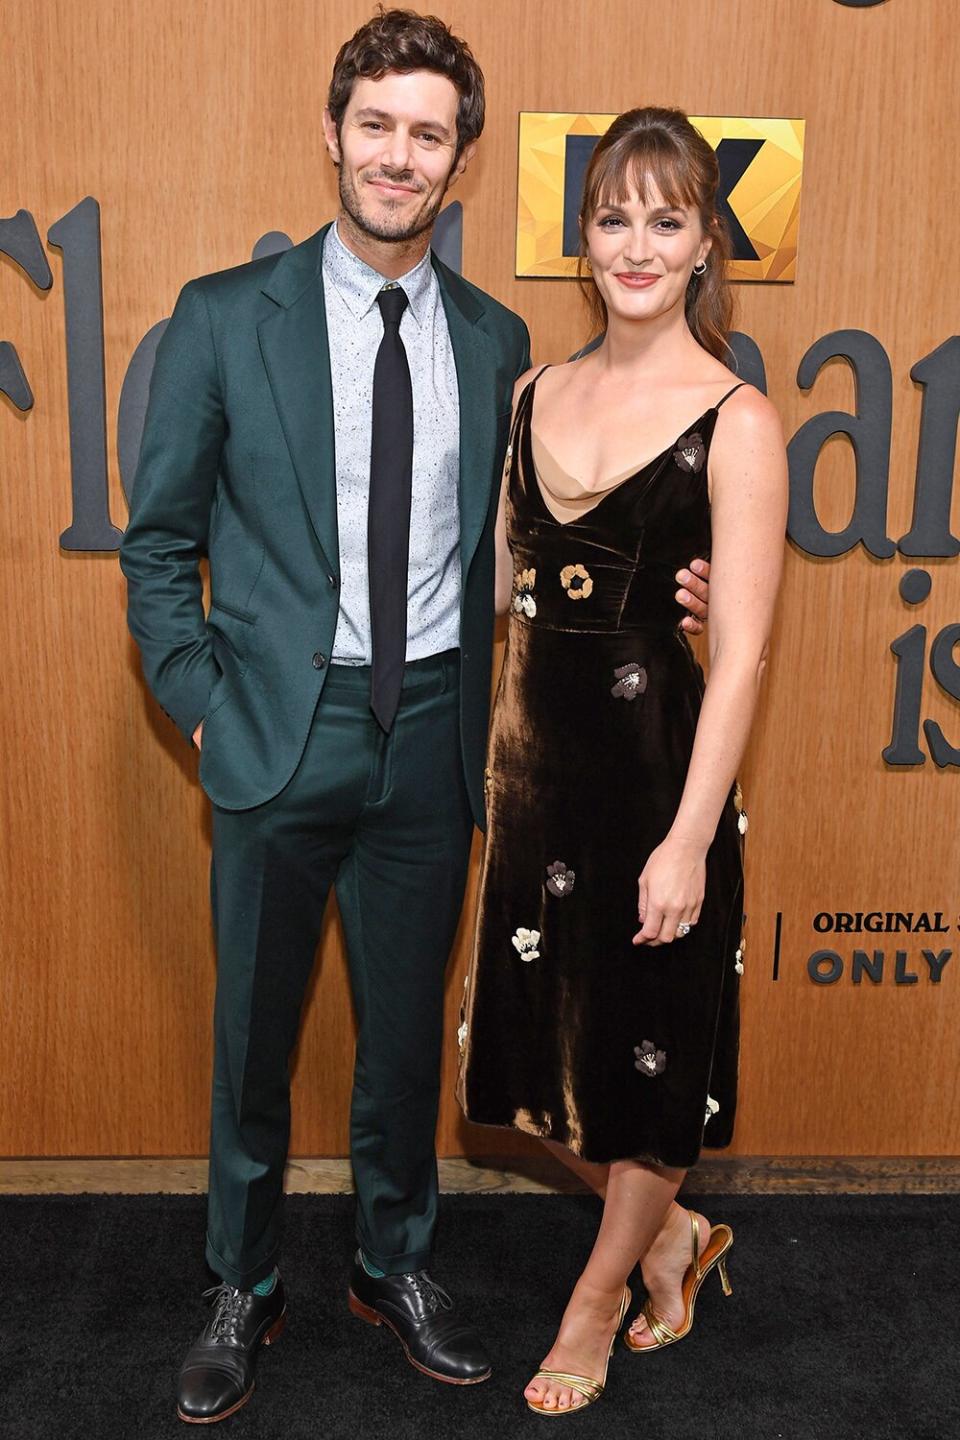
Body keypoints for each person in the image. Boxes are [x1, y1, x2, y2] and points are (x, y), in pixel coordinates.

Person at [120, 10, 711, 1422]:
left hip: (437, 735)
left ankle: (395, 1265)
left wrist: (677, 592)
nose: (399, 155)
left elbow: (554, 531)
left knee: (398, 1050)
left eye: (428, 133)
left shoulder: (500, 338)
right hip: (274, 735)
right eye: (376, 125)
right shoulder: (220, 318)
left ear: (461, 161)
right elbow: (156, 549)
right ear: (333, 137)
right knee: (252, 1045)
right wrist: (204, 709)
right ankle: (241, 1284)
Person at [457, 105, 787, 1416]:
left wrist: (690, 840)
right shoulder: (533, 393)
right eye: (614, 217)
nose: (638, 244)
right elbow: (501, 588)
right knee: (530, 1078)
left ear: (707, 241)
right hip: (536, 796)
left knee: (646, 1074)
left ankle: (599, 1299)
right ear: (581, 236)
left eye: (667, 218)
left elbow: (745, 654)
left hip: (659, 797)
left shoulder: (739, 420)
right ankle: (670, 1239)